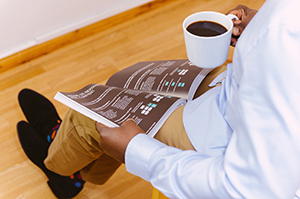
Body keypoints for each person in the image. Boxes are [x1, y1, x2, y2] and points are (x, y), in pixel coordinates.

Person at [17, 0, 300, 198]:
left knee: (93, 116)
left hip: (222, 138)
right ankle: (79, 167)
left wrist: (137, 150)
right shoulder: (283, 32)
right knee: (130, 88)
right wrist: (263, 23)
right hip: (236, 91)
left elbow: (251, 189)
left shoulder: (284, 36)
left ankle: (58, 168)